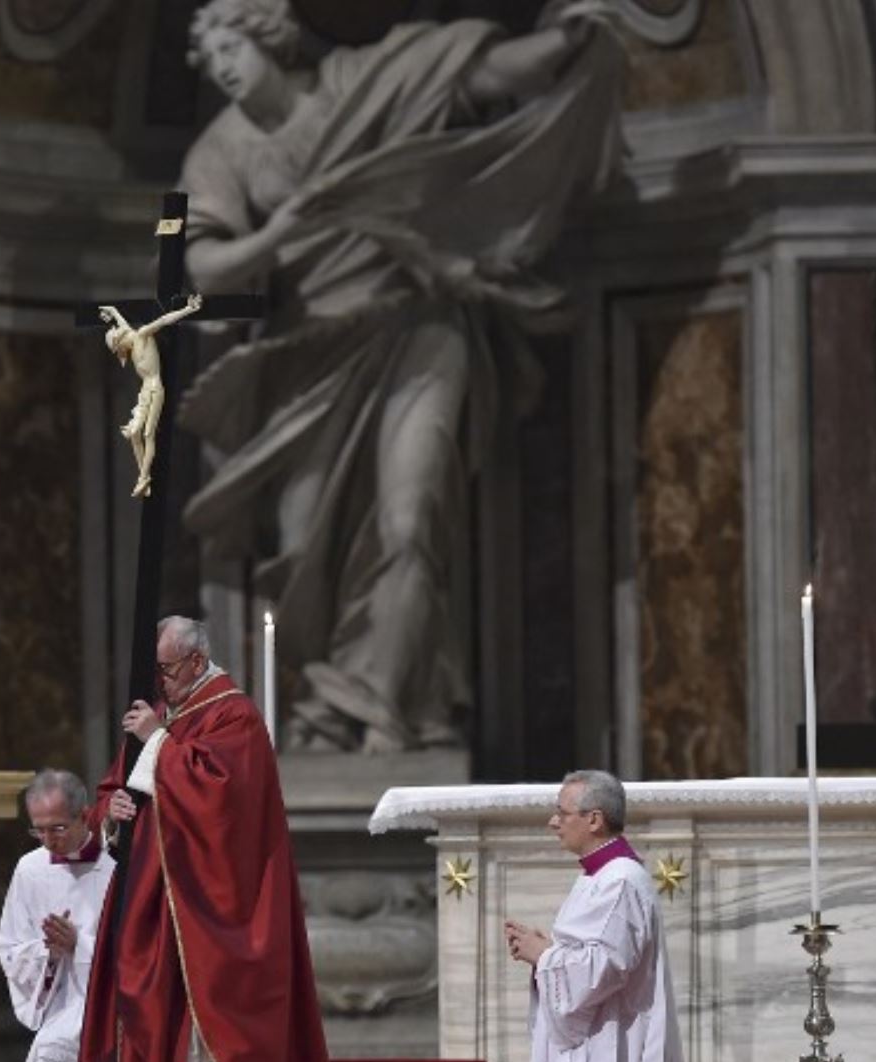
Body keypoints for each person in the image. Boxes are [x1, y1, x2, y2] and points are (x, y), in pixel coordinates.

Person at [177, 0, 625, 754]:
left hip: (418, 329)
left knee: (412, 519)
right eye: (210, 54)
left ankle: (387, 713)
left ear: (271, 37)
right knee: (304, 548)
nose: (223, 64)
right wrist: (287, 228)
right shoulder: (220, 150)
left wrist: (567, 39)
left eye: (233, 44)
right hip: (306, 358)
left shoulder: (368, 80)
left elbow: (481, 70)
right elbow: (200, 262)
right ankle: (341, 700)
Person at [79, 616, 340, 1062]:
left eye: (168, 670)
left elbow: (223, 800)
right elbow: (110, 794)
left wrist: (157, 743)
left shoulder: (234, 714)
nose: (162, 681)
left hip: (211, 909)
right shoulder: (164, 719)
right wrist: (114, 813)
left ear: (197, 662)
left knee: (207, 1026)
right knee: (154, 1018)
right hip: (154, 905)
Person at [504, 770, 804, 1062]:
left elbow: (607, 967)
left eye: (561, 812)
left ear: (594, 819)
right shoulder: (595, 876)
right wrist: (547, 952)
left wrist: (545, 956)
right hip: (598, 1032)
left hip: (615, 1036)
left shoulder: (621, 879)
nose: (553, 822)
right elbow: (594, 955)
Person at [0, 768, 120, 1062]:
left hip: (113, 995)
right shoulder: (29, 870)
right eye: (39, 831)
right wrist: (48, 952)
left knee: (57, 1049)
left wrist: (80, 945)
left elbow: (142, 947)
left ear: (86, 815)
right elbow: (11, 948)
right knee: (51, 1047)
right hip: (61, 998)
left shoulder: (119, 866)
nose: (49, 840)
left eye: (58, 828)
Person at [100, 293, 205, 497]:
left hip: (155, 388)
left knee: (148, 434)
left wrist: (189, 310)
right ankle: (144, 476)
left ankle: (144, 477)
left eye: (118, 348)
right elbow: (122, 323)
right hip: (145, 392)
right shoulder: (131, 339)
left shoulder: (141, 335)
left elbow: (163, 320)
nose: (122, 352)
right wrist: (112, 311)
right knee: (133, 434)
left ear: (121, 341)